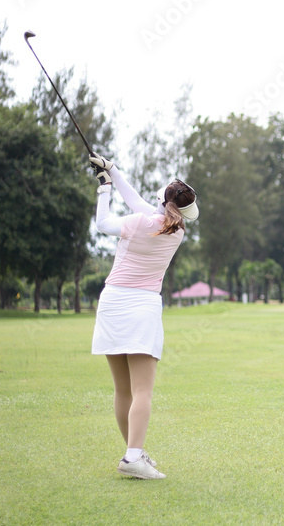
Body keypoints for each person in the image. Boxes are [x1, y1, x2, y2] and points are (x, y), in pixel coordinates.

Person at [88, 153, 198, 480]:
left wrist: (104, 188)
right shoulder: (176, 233)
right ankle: (133, 456)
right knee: (142, 392)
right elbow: (135, 200)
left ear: (163, 200)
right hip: (142, 307)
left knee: (123, 390)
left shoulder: (139, 223)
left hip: (112, 303)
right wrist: (111, 170)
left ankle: (133, 454)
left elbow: (105, 223)